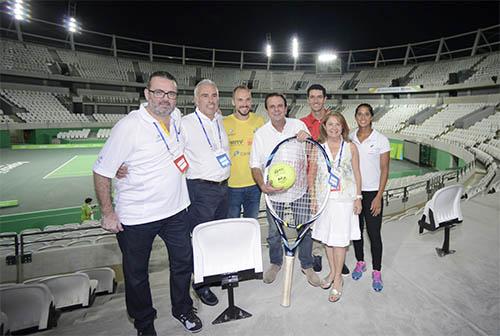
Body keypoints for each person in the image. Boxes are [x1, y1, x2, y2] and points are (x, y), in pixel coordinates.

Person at [93, 71, 202, 335]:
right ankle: (144, 324)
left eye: (171, 93)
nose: (165, 99)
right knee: (137, 275)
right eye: (159, 92)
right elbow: (101, 170)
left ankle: (183, 309)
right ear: (147, 94)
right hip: (137, 216)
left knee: (183, 263)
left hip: (176, 210)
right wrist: (108, 212)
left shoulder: (175, 118)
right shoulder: (129, 126)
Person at [250, 93, 321, 287]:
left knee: (305, 230)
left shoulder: (298, 125)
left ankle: (307, 266)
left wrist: (307, 139)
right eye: (272, 106)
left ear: (286, 107)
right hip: (274, 195)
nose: (276, 109)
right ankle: (275, 263)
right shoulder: (260, 134)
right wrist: (262, 186)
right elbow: (255, 165)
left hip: (300, 192)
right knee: (274, 234)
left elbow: (313, 152)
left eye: (280, 105)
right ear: (266, 110)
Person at [182, 79, 230, 306]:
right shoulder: (185, 123)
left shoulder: (219, 119)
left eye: (214, 95)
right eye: (205, 96)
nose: (211, 100)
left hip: (223, 188)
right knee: (199, 240)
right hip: (200, 189)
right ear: (195, 99)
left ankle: (212, 274)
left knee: (217, 237)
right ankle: (200, 284)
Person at [311, 112, 362, 302]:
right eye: (330, 124)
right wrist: (313, 198)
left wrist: (358, 198)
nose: (334, 128)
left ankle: (338, 279)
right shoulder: (319, 148)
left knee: (340, 242)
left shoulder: (350, 147)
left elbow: (357, 172)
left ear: (343, 127)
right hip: (325, 201)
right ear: (324, 126)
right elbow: (313, 175)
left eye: (337, 125)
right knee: (328, 241)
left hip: (344, 201)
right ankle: (332, 272)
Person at [300, 84, 350, 276]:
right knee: (317, 221)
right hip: (314, 180)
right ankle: (317, 254)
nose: (315, 100)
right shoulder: (302, 123)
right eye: (312, 97)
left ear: (325, 98)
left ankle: (339, 259)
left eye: (319, 97)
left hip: (337, 185)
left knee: (337, 221)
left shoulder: (334, 119)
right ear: (308, 100)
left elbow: (345, 145)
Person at [349, 103, 390, 292]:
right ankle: (360, 262)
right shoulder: (349, 137)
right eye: (359, 114)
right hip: (355, 193)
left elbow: (384, 170)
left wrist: (378, 197)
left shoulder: (381, 140)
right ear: (356, 117)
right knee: (356, 232)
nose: (363, 117)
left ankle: (377, 271)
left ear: (371, 117)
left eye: (366, 114)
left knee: (374, 235)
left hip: (373, 193)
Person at [223, 85, 265, 219]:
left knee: (251, 225)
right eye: (240, 100)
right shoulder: (224, 122)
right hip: (231, 186)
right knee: (232, 226)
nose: (244, 104)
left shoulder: (259, 121)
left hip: (254, 185)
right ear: (233, 102)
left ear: (251, 101)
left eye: (247, 100)